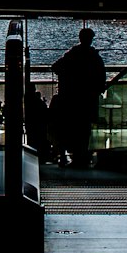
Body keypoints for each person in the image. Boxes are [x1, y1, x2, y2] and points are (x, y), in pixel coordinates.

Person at [51, 27, 107, 168]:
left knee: (71, 127)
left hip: (71, 99)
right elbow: (101, 80)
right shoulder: (95, 57)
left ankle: (70, 155)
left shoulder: (72, 54)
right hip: (87, 100)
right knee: (84, 130)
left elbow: (55, 67)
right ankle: (81, 157)